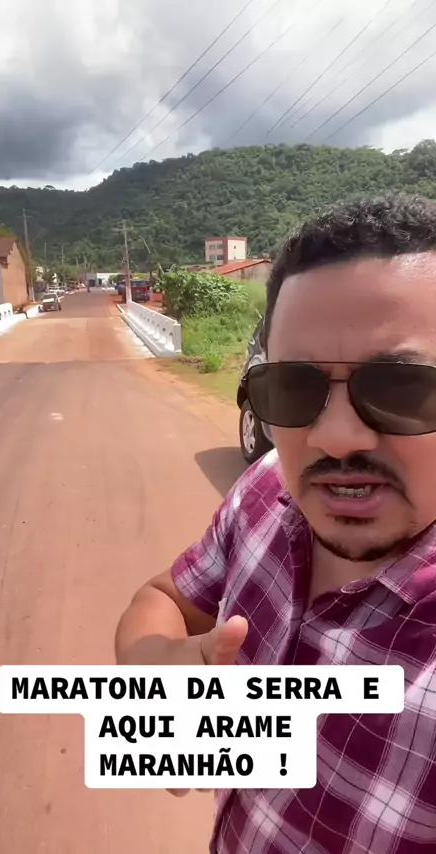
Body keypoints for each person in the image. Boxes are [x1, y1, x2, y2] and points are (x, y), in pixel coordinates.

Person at [116, 193, 436, 853]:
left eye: (402, 388)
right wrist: (158, 676)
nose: (336, 438)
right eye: (294, 388)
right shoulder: (268, 490)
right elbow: (165, 597)